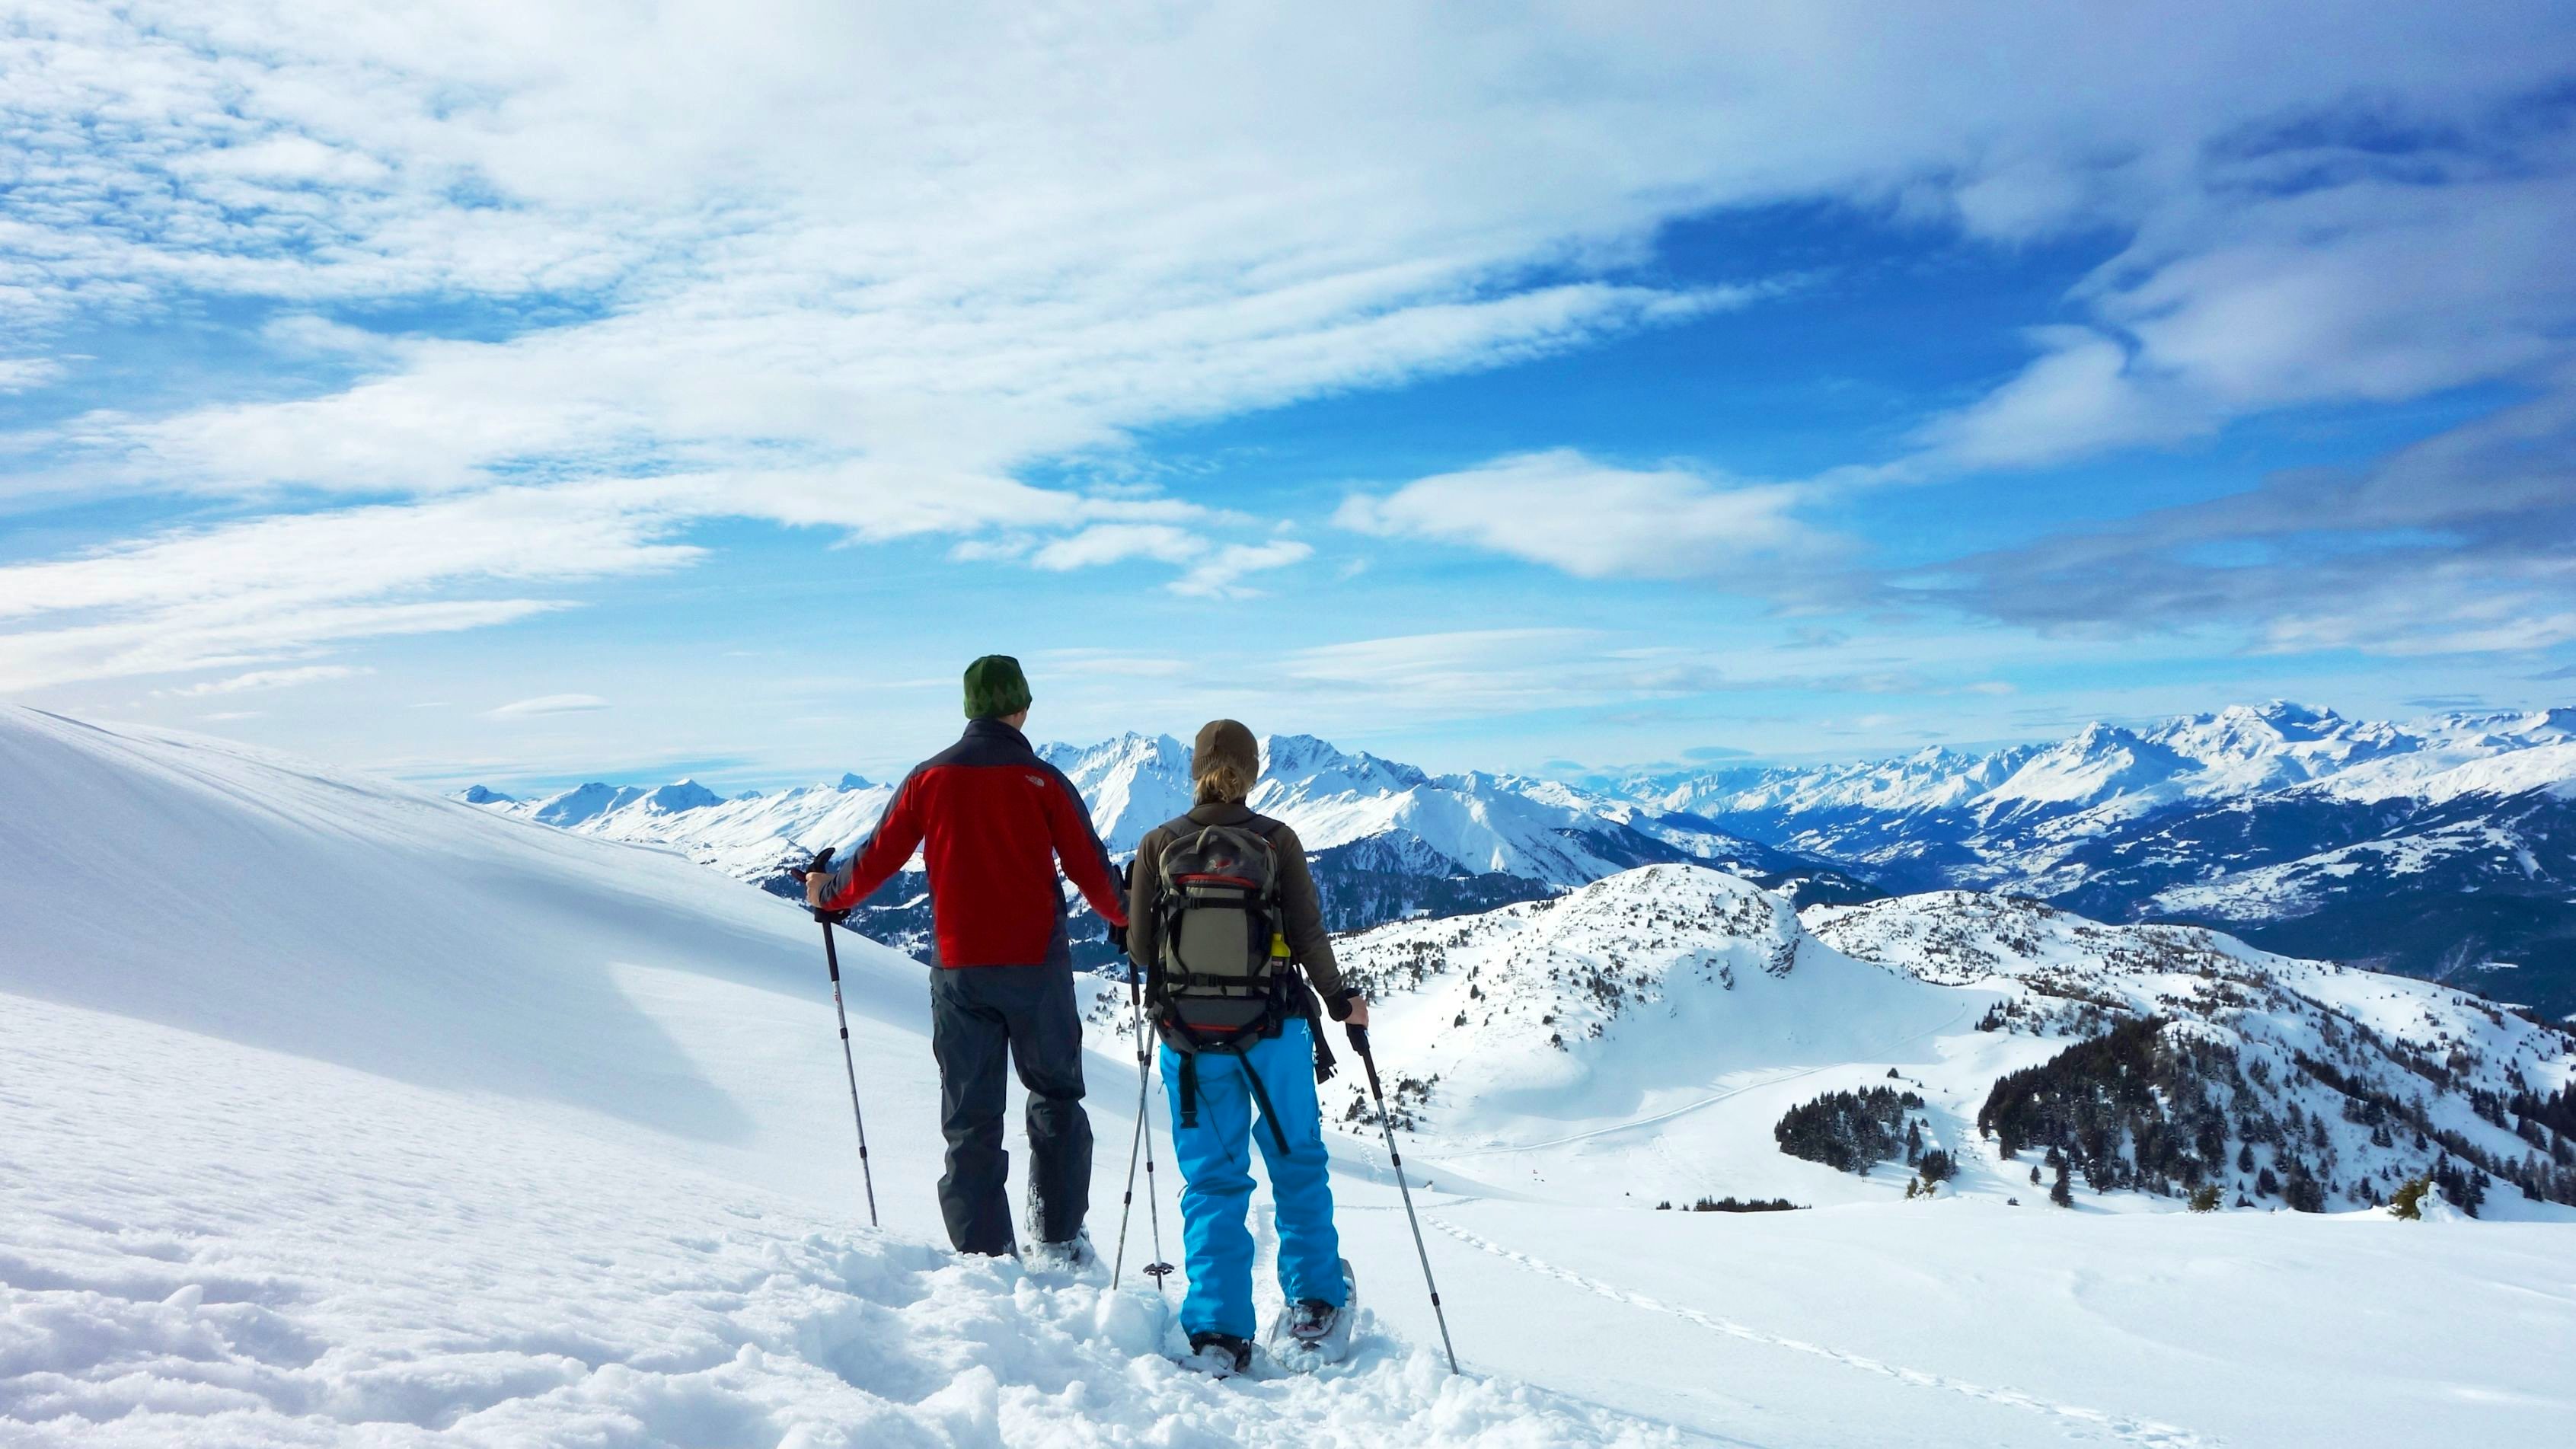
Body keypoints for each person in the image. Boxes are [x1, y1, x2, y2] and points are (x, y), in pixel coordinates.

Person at [807, 655, 1127, 1265]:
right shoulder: (1044, 781)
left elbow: (874, 861)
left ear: (968, 709)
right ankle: (1058, 1237)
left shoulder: (929, 780)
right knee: (1055, 1096)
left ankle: (985, 1256)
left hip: (959, 973)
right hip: (1037, 969)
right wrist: (1130, 917)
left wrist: (826, 891)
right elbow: (1097, 880)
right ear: (1021, 707)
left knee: (970, 1118)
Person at [1127, 718, 1368, 1374]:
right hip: (1273, 1030)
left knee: (1211, 1180)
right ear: (1252, 770)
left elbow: (1142, 948)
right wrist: (1341, 1000)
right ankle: (1315, 1301)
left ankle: (1215, 1329)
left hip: (1190, 1042)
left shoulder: (1157, 843)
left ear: (1195, 768)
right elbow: (1309, 934)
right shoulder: (1275, 839)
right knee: (1296, 1163)